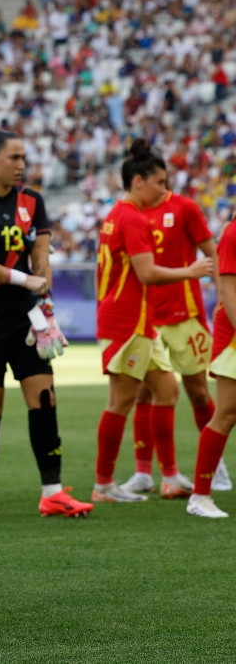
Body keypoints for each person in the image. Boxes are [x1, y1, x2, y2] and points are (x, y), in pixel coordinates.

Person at [0, 126, 93, 519]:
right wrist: (26, 278)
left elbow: (40, 255)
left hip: (24, 316)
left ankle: (52, 491)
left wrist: (44, 289)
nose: (21, 165)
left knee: (44, 396)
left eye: (24, 158)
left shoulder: (32, 201)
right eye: (14, 158)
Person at [92, 140, 212, 506]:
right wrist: (190, 271)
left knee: (167, 392)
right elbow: (146, 273)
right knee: (121, 402)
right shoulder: (132, 218)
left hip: (139, 323)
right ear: (139, 180)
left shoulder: (117, 214)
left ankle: (170, 476)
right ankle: (104, 484)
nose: (165, 189)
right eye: (160, 182)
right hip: (128, 323)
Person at [119, 188, 218, 500]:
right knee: (145, 392)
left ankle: (214, 465)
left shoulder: (185, 207)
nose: (158, 186)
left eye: (162, 179)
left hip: (184, 314)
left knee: (199, 393)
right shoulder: (133, 213)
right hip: (148, 316)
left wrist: (224, 296)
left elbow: (211, 253)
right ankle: (143, 472)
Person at [190, 218, 236, 517]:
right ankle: (200, 496)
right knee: (227, 413)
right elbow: (229, 292)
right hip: (233, 334)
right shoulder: (233, 233)